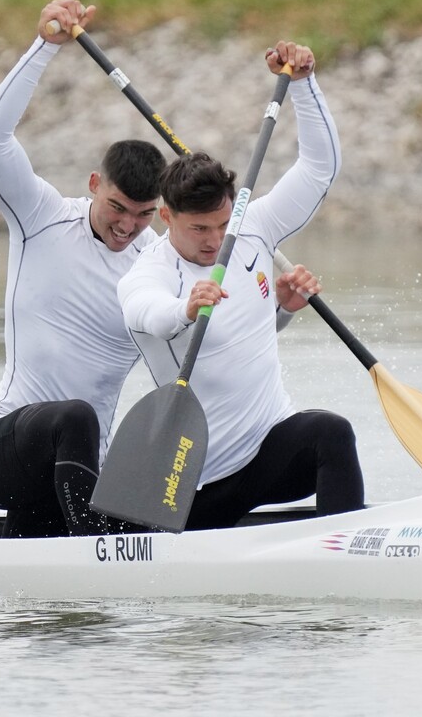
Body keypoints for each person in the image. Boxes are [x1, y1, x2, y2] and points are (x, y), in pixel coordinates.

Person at [117, 41, 364, 531]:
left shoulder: (253, 228)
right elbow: (143, 312)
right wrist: (185, 309)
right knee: (323, 435)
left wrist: (304, 84)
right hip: (197, 486)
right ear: (166, 217)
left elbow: (320, 170)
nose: (215, 242)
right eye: (199, 230)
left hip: (271, 451)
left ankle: (344, 552)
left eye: (222, 225)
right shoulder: (149, 272)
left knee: (331, 433)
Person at [0, 0, 166, 538]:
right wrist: (45, 47)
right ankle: (94, 549)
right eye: (118, 207)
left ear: (161, 211)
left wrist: (279, 308)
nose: (127, 226)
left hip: (79, 475)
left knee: (54, 621)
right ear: (95, 185)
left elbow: (210, 339)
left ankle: (73, 548)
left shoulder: (159, 267)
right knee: (75, 415)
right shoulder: (41, 217)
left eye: (144, 216)